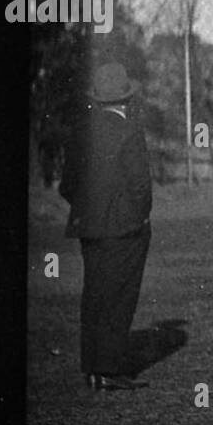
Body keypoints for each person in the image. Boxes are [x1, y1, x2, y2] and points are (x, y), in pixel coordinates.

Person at [59, 62, 153, 391]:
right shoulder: (131, 131)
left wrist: (90, 208)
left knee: (95, 294)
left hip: (89, 225)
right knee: (119, 297)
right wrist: (139, 216)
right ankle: (109, 368)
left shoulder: (80, 132)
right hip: (124, 227)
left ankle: (93, 367)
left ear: (97, 100)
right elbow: (141, 186)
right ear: (126, 99)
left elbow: (67, 184)